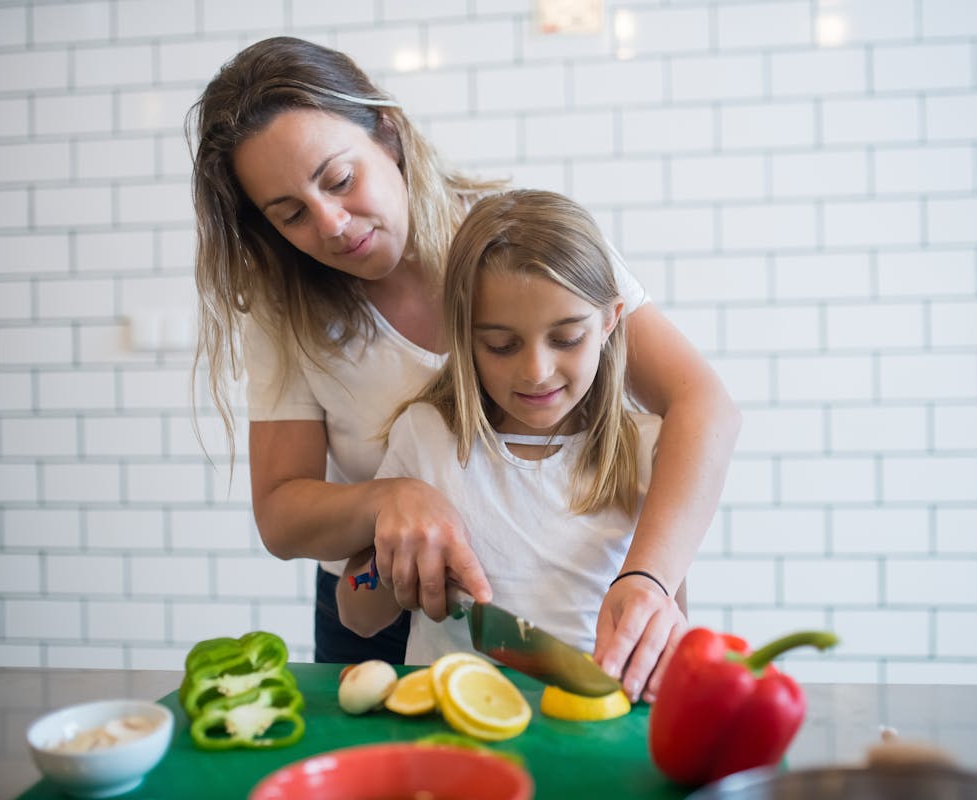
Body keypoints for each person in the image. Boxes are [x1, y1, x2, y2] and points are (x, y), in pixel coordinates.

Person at [189, 36, 739, 701]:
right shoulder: (290, 314)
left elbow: (702, 405)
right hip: (390, 623)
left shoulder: (523, 244)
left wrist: (647, 580)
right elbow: (281, 515)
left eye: (339, 179)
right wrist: (391, 500)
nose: (331, 224)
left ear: (388, 136)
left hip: (590, 628)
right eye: (290, 214)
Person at [337, 190, 668, 687]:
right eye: (501, 345)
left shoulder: (648, 451)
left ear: (609, 321)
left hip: (592, 726)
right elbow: (355, 609)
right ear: (464, 337)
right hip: (451, 726)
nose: (536, 371)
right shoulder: (426, 438)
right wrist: (390, 572)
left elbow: (665, 624)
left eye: (566, 339)